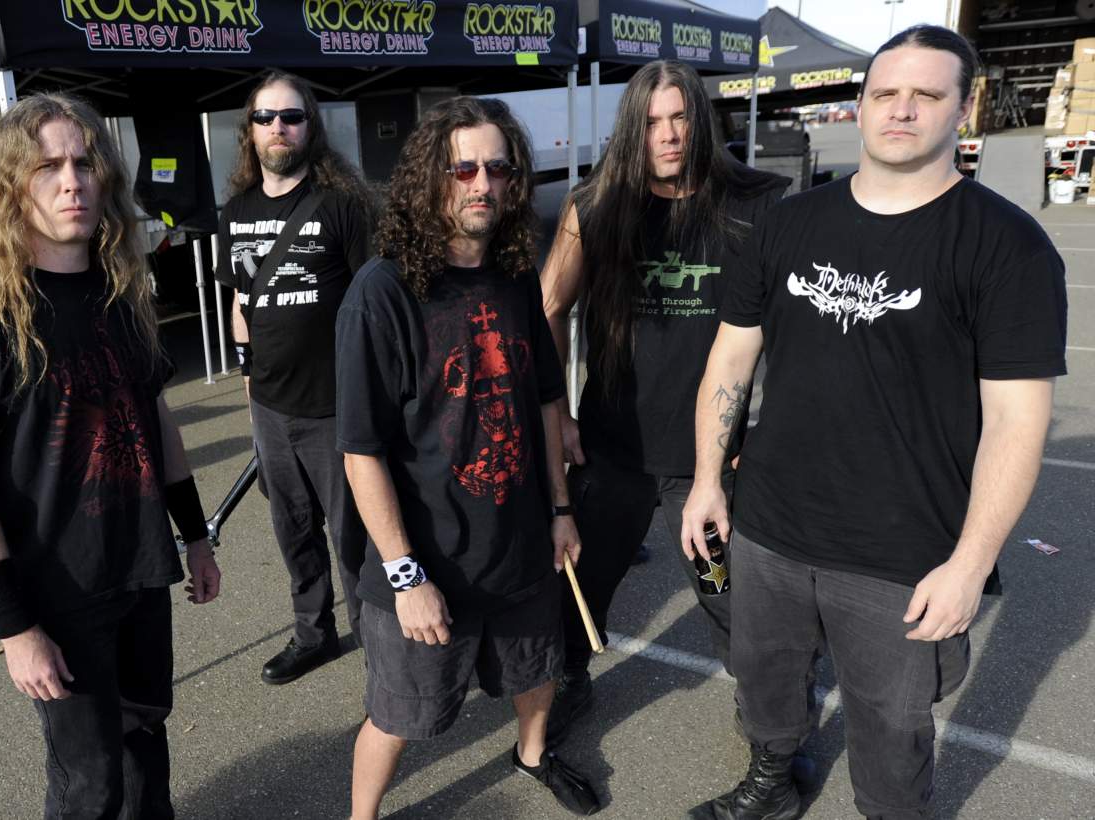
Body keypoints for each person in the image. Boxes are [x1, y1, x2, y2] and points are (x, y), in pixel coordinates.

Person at [684, 26, 1067, 820]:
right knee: (764, 679)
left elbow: (1015, 421)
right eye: (885, 93)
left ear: (963, 109)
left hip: (902, 551)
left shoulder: (1007, 246)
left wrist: (970, 565)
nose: (902, 110)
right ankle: (772, 782)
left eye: (927, 95)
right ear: (859, 106)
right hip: (770, 526)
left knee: (892, 732)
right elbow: (731, 359)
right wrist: (706, 482)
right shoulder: (788, 223)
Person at [0, 93, 222, 819]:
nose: (72, 182)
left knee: (145, 746)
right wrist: (15, 629)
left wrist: (196, 537)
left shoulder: (122, 294)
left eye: (84, 163)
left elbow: (158, 421)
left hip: (140, 571)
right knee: (89, 783)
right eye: (47, 167)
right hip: (58, 593)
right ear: (12, 185)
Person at [336, 97, 601, 819]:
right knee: (400, 713)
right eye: (463, 169)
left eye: (497, 168)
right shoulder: (382, 293)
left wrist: (560, 509)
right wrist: (405, 576)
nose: (482, 183)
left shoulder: (516, 277)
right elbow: (361, 452)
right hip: (429, 561)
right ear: (430, 178)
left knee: (537, 672)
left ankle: (533, 753)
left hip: (519, 544)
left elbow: (544, 401)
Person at [540, 59, 789, 741]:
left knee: (731, 600)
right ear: (633, 129)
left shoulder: (756, 204)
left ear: (700, 119)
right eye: (652, 122)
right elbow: (548, 307)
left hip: (706, 463)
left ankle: (767, 724)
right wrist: (558, 411)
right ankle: (569, 680)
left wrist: (764, 435)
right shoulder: (595, 206)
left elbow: (797, 328)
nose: (669, 134)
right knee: (580, 587)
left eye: (680, 117)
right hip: (612, 450)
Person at [215, 70, 372, 683]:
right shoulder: (236, 212)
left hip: (338, 408)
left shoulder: (342, 206)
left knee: (355, 538)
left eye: (291, 116)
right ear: (250, 131)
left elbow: (375, 302)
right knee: (294, 531)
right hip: (271, 408)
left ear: (311, 126)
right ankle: (314, 635)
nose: (278, 127)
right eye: (265, 117)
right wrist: (247, 376)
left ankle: (379, 646)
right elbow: (240, 300)